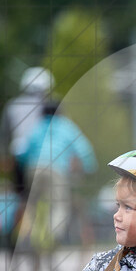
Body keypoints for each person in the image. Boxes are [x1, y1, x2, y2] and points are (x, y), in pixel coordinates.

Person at [20, 101, 98, 246]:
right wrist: (89, 167)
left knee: (31, 204)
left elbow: (23, 150)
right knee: (59, 205)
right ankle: (51, 237)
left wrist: (23, 164)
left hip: (33, 168)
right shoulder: (65, 126)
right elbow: (83, 149)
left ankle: (25, 235)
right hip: (56, 168)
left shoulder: (37, 127)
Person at [0, 66, 53, 240]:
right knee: (45, 199)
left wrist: (2, 157)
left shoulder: (13, 106)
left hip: (18, 159)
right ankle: (40, 236)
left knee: (22, 199)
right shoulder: (49, 106)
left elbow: (4, 135)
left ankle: (19, 236)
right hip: (43, 159)